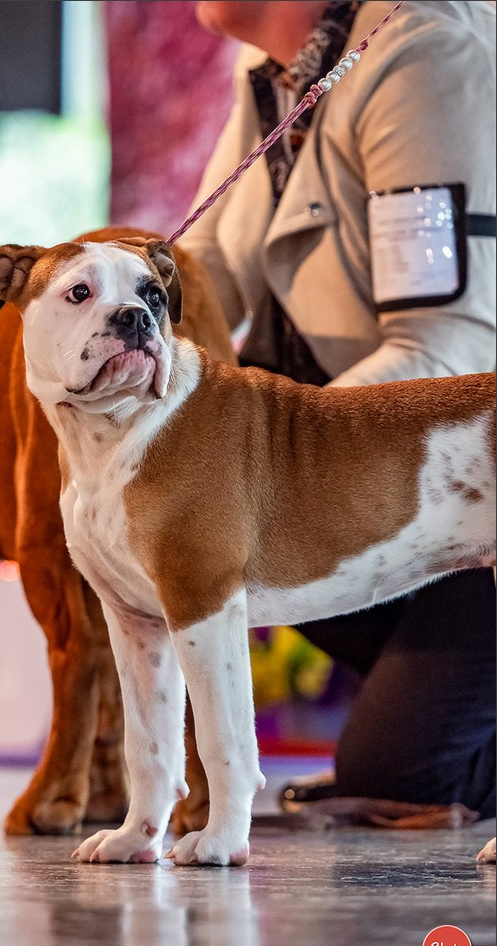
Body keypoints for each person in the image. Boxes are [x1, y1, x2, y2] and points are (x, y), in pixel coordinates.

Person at [181, 1, 496, 818]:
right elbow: (193, 287)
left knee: (399, 777)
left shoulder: (421, 58)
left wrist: (266, 470)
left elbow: (450, 344)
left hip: (475, 483)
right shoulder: (282, 79)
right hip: (399, 489)